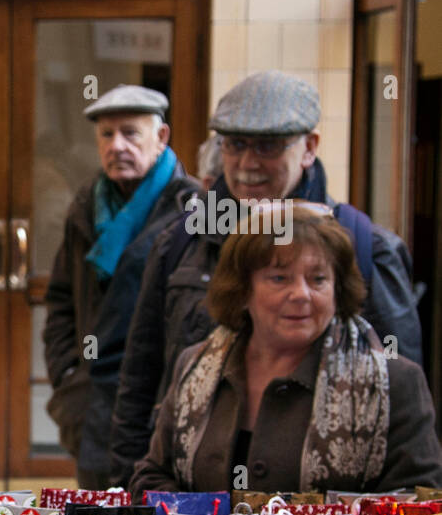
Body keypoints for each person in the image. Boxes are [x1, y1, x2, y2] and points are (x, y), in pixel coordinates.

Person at [110, 69, 422, 486]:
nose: (247, 163)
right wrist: (128, 486)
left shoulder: (365, 246)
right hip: (194, 506)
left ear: (309, 148)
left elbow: (399, 398)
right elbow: (139, 376)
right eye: (234, 145)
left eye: (268, 146)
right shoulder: (182, 241)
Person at [130, 207, 442, 497]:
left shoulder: (395, 382)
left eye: (318, 279)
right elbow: (152, 475)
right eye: (279, 278)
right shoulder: (194, 365)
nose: (301, 295)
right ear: (242, 289)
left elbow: (415, 506)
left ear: (338, 289)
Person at [42, 85, 192, 487]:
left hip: (157, 408)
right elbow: (60, 300)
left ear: (161, 138)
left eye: (130, 133)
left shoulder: (193, 208)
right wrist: (68, 378)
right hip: (92, 405)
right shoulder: (87, 205)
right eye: (107, 135)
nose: (117, 146)